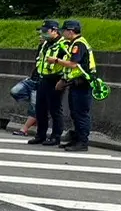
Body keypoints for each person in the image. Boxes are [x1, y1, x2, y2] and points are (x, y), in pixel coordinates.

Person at [47, 19, 95, 152]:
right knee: (75, 113)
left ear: (71, 31)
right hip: (76, 82)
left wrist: (56, 60)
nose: (63, 33)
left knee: (81, 114)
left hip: (83, 83)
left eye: (65, 30)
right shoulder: (73, 43)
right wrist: (63, 80)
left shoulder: (78, 44)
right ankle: (76, 139)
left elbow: (73, 64)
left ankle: (82, 142)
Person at [28, 20, 69, 146]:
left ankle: (55, 136)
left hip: (55, 79)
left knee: (55, 109)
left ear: (55, 30)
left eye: (46, 31)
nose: (43, 33)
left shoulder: (64, 44)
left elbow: (68, 64)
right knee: (40, 109)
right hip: (42, 78)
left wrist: (63, 80)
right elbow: (39, 60)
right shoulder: (45, 44)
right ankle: (40, 135)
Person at [9, 31, 46, 136]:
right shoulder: (41, 47)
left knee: (34, 107)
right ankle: (37, 110)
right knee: (15, 91)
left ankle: (24, 129)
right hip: (32, 79)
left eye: (42, 35)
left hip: (40, 81)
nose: (40, 37)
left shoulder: (54, 47)